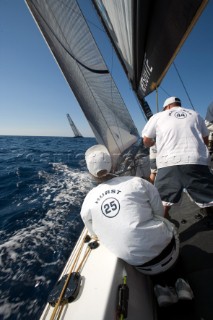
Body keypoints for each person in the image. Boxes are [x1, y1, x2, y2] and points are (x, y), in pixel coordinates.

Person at [80, 144, 193, 307]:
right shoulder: (138, 182)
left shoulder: (88, 202)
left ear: (91, 173)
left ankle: (161, 289)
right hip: (168, 253)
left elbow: (93, 232)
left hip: (141, 265)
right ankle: (182, 285)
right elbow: (160, 213)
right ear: (112, 164)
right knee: (168, 231)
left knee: (144, 249)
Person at [142, 96, 213, 217]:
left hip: (168, 162)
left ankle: (164, 225)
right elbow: (205, 139)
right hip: (197, 160)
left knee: (163, 201)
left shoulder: (158, 116)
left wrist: (154, 144)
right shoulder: (195, 114)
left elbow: (146, 140)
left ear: (167, 107)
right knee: (209, 195)